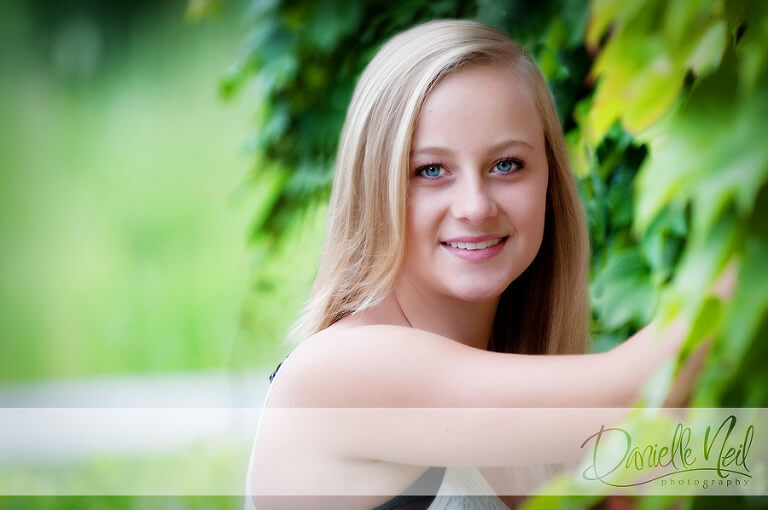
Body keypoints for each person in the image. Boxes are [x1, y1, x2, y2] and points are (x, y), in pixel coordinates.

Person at [245, 19, 729, 510]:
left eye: (506, 165)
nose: (475, 206)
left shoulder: (540, 417)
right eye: (431, 170)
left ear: (549, 184)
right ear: (376, 190)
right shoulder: (339, 373)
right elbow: (629, 392)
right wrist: (745, 248)